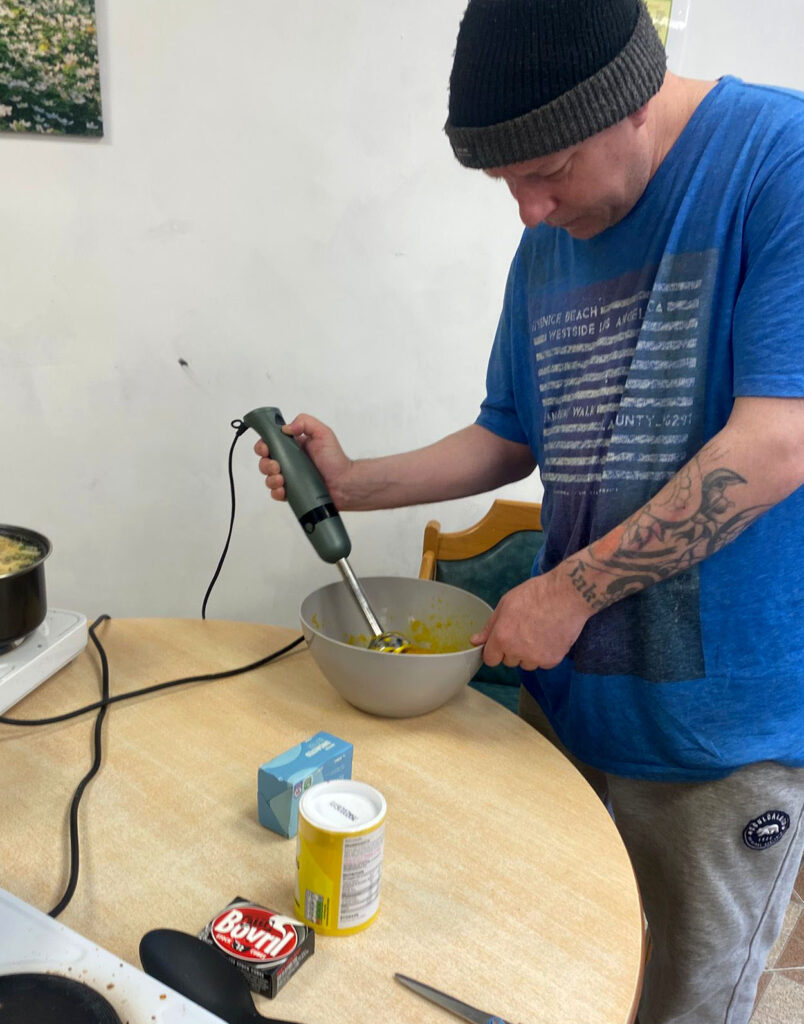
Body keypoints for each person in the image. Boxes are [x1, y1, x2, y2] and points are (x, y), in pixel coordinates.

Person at [255, 2, 804, 1022]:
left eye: (545, 173)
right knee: (554, 975)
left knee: (685, 1004)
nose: (528, 212)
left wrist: (569, 589)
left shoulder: (781, 164)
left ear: (631, 104)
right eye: (505, 184)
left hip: (714, 748)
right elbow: (508, 435)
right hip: (570, 710)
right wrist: (349, 480)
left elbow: (776, 444)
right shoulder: (549, 245)